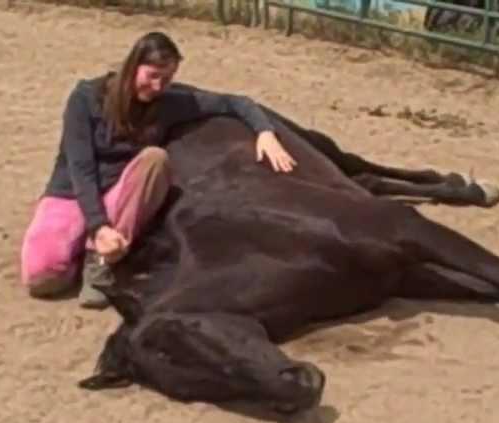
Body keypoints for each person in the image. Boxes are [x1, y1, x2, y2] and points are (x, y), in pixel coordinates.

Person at [20, 31, 297, 310]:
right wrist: (97, 225)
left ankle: (99, 263)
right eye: (152, 75)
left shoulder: (169, 103)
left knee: (155, 159)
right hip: (73, 191)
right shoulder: (86, 98)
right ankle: (89, 241)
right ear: (133, 66)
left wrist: (265, 132)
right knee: (42, 280)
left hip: (122, 195)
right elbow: (81, 167)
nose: (157, 86)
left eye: (166, 79)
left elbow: (236, 102)